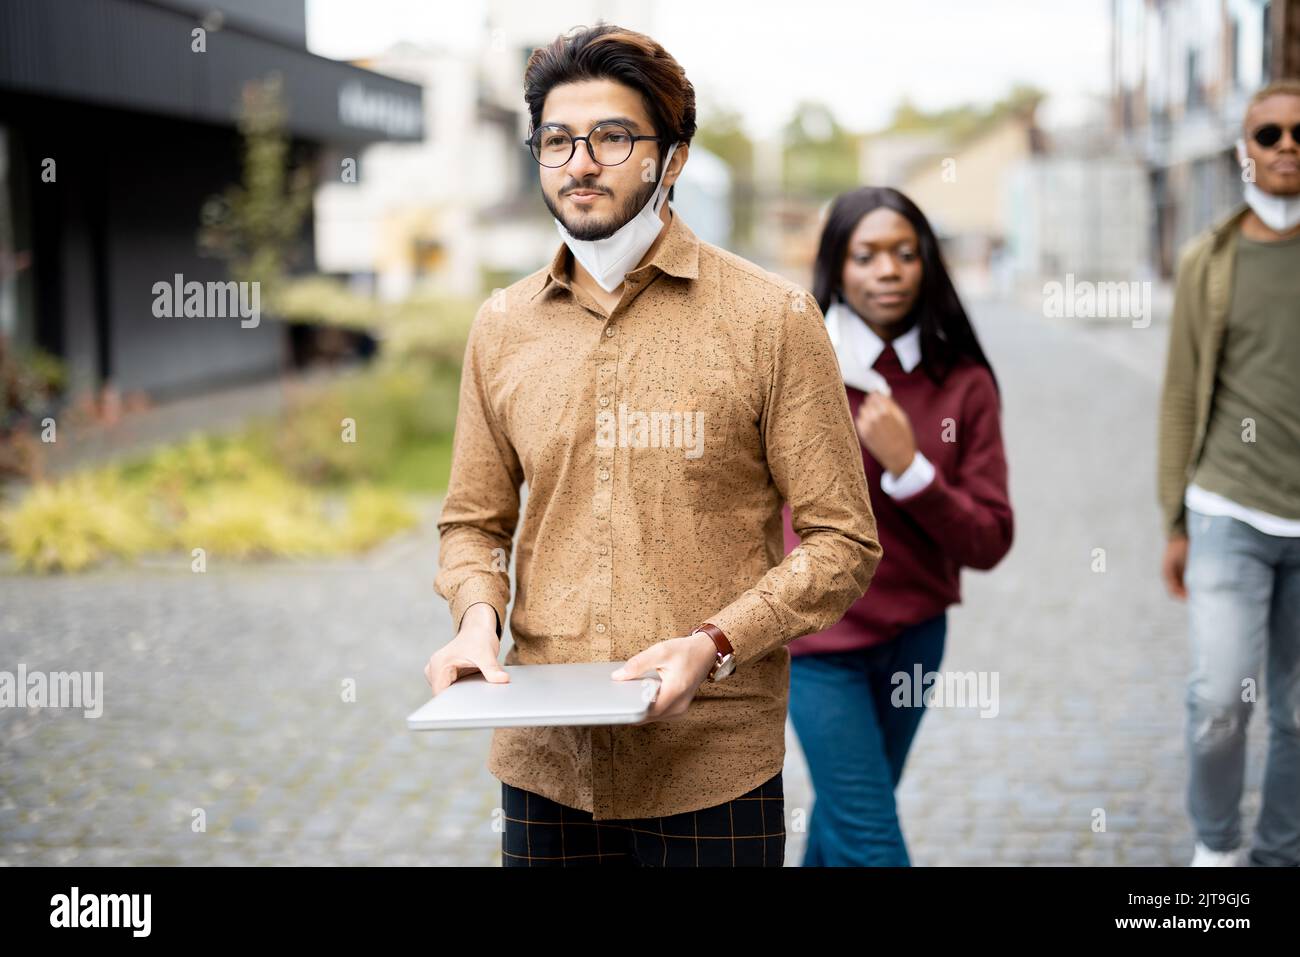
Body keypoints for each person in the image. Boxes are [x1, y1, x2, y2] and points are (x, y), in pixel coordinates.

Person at [427, 22, 882, 867]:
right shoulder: (500, 327)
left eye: (612, 136)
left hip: (710, 765)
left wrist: (714, 643)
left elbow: (843, 541)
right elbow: (472, 522)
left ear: (670, 158)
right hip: (545, 765)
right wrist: (476, 621)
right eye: (557, 140)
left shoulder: (773, 320)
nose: (581, 162)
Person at [780, 187, 1013, 866]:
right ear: (838, 267)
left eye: (904, 253)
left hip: (914, 636)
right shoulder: (800, 364)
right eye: (866, 254)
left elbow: (990, 538)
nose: (887, 269)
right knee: (872, 838)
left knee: (848, 813)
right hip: (818, 641)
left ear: (926, 264)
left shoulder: (963, 383)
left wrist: (910, 468)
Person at [1157, 78, 1300, 868]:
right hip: (1227, 511)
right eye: (1268, 134)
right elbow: (1181, 392)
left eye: (1297, 133)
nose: (1285, 147)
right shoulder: (1207, 260)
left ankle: (1280, 854)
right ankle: (1218, 850)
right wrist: (1174, 517)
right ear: (1246, 151)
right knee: (1219, 699)